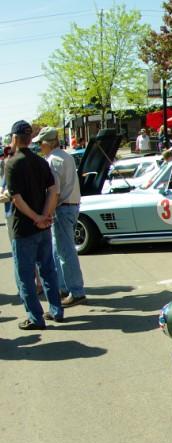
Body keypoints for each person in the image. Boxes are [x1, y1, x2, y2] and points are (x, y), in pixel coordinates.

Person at [5, 120, 64, 329]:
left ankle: (35, 317)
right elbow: (53, 191)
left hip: (24, 228)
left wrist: (36, 217)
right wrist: (45, 215)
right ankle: (56, 310)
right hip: (43, 227)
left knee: (26, 276)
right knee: (49, 270)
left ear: (14, 138)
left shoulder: (12, 163)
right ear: (31, 139)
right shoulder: (40, 161)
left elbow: (16, 198)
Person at [35, 127, 86, 307]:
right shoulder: (66, 156)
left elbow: (54, 191)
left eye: (40, 143)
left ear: (48, 143)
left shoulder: (53, 160)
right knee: (60, 250)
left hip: (63, 209)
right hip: (70, 206)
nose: (39, 147)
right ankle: (65, 287)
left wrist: (46, 213)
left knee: (65, 252)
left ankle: (76, 291)